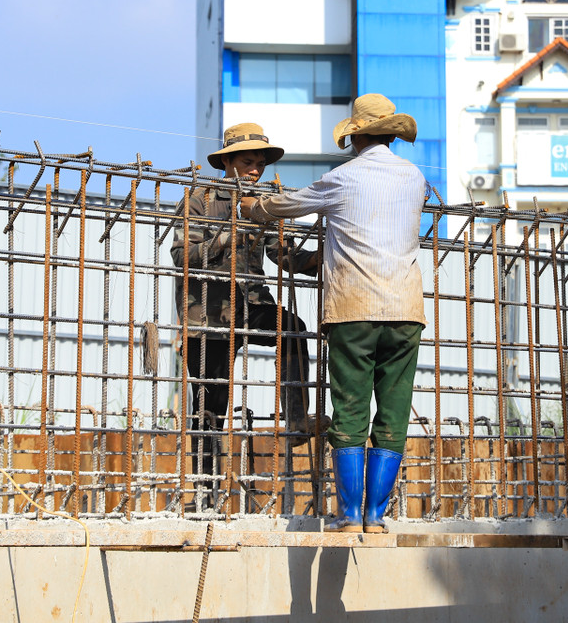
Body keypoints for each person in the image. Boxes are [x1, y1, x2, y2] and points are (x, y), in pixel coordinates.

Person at [240, 94, 428, 533]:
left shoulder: (342, 178)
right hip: (406, 311)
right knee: (393, 412)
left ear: (356, 137)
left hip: (353, 310)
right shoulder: (415, 177)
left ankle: (348, 514)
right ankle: (375, 516)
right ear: (391, 135)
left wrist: (253, 208)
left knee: (350, 409)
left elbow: (287, 205)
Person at [171, 123, 317, 510]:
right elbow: (182, 256)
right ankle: (205, 492)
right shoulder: (199, 199)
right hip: (207, 314)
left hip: (250, 305)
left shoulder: (263, 202)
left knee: (293, 329)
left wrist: (316, 260)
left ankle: (297, 418)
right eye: (247, 162)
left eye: (260, 164)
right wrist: (230, 233)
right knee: (209, 406)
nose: (255, 170)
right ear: (227, 163)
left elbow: (282, 254)